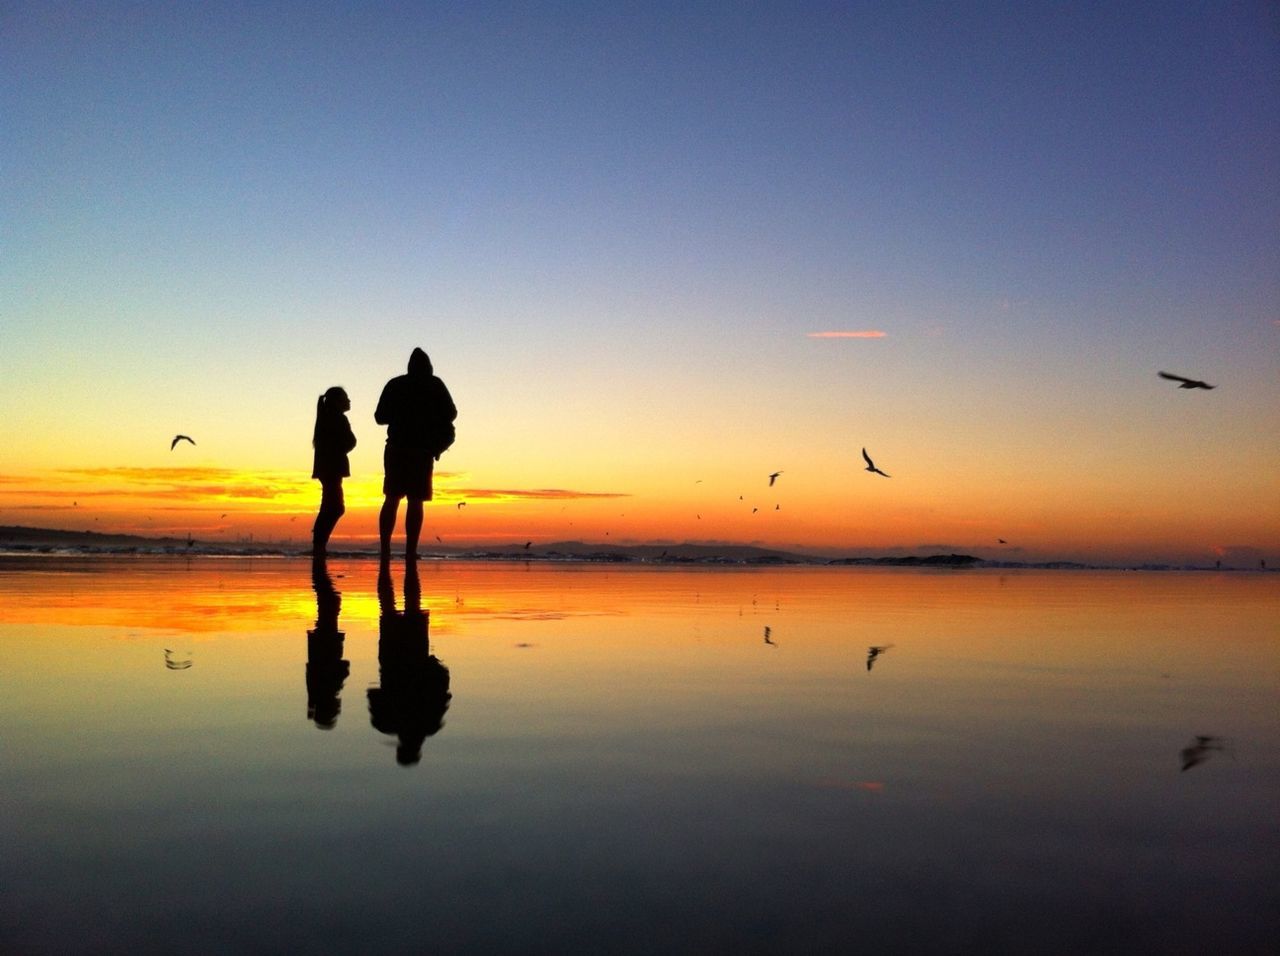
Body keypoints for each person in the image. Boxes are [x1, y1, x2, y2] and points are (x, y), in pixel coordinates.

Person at [374, 348, 456, 561]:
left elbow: (380, 417)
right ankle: (410, 551)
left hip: (396, 449)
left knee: (391, 498)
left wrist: (401, 414)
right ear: (429, 366)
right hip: (422, 450)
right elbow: (452, 413)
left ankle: (385, 550)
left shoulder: (395, 384)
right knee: (416, 500)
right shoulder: (435, 384)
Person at [311, 386, 357, 557]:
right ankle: (319, 545)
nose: (349, 401)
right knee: (335, 507)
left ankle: (319, 544)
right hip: (332, 467)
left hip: (326, 468)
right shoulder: (337, 419)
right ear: (338, 402)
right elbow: (350, 442)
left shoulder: (325, 418)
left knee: (331, 506)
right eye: (346, 398)